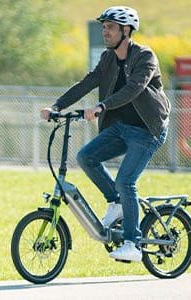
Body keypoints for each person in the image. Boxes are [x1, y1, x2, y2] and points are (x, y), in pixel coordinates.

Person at [40, 6, 170, 262]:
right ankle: (117, 203)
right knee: (86, 156)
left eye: (110, 27)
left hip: (148, 130)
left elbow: (134, 88)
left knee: (125, 182)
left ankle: (133, 243)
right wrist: (57, 106)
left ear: (126, 30)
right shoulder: (108, 59)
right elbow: (88, 82)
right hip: (121, 128)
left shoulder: (145, 56)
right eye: (103, 27)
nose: (105, 31)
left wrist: (102, 106)